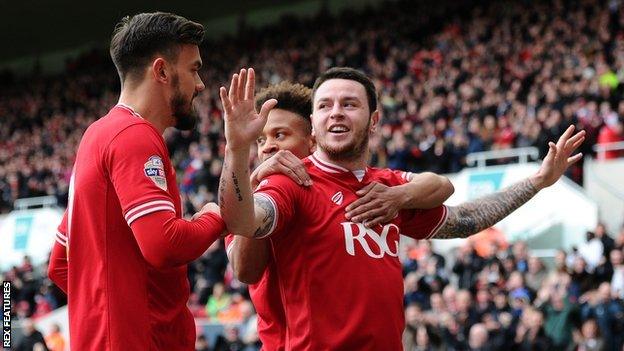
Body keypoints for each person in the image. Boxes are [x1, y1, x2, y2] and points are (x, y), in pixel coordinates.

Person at [218, 66, 585, 349]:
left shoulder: (388, 184)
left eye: (350, 104)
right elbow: (249, 223)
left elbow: (465, 219)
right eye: (325, 106)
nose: (337, 113)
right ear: (314, 124)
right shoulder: (292, 182)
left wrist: (537, 182)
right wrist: (238, 154)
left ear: (374, 120)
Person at [224, 81, 454, 350]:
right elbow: (245, 269)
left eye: (280, 135)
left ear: (312, 139)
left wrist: (399, 197)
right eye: (261, 140)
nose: (268, 147)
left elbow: (443, 187)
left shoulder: (378, 183)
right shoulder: (274, 189)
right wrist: (242, 163)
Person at [47, 12, 225, 350]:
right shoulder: (133, 136)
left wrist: (110, 309)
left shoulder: (96, 136)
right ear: (161, 71)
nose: (200, 84)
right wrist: (214, 216)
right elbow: (164, 244)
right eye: (194, 69)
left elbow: (60, 264)